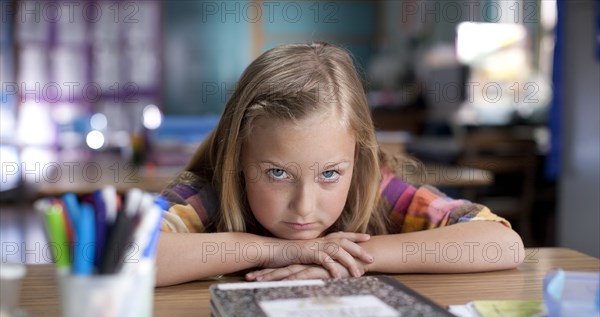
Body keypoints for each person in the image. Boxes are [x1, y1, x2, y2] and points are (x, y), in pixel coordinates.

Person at [156, 42, 524, 287]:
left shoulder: (374, 184)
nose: (304, 206)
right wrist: (278, 250)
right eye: (277, 173)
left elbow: (503, 243)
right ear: (237, 157)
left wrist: (352, 257)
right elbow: (125, 252)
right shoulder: (211, 189)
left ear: (358, 157)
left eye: (330, 174)